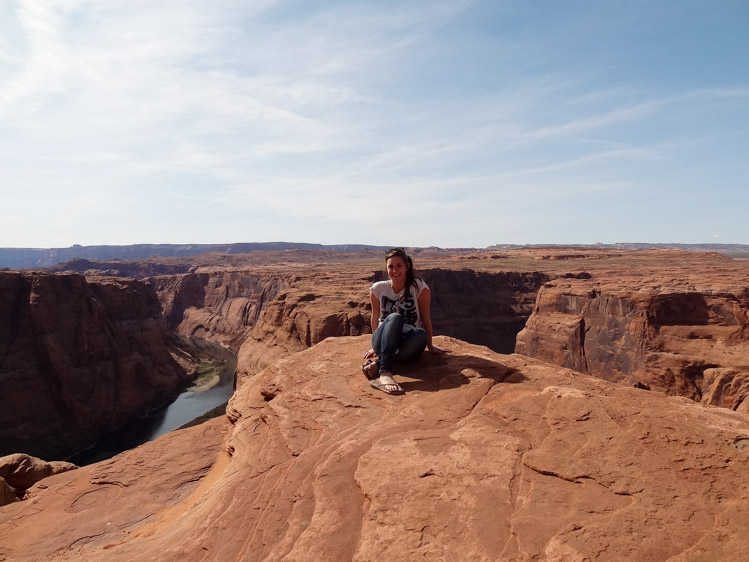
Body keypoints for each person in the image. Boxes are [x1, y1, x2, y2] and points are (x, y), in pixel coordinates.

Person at [362, 247, 449, 395]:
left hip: (407, 342)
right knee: (395, 317)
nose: (395, 270)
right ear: (386, 268)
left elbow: (425, 317)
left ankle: (378, 364)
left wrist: (430, 345)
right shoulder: (378, 289)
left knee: (420, 334)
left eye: (399, 266)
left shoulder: (418, 287)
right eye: (391, 266)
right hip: (384, 337)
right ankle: (385, 373)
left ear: (407, 267)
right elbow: (375, 317)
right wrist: (375, 346)